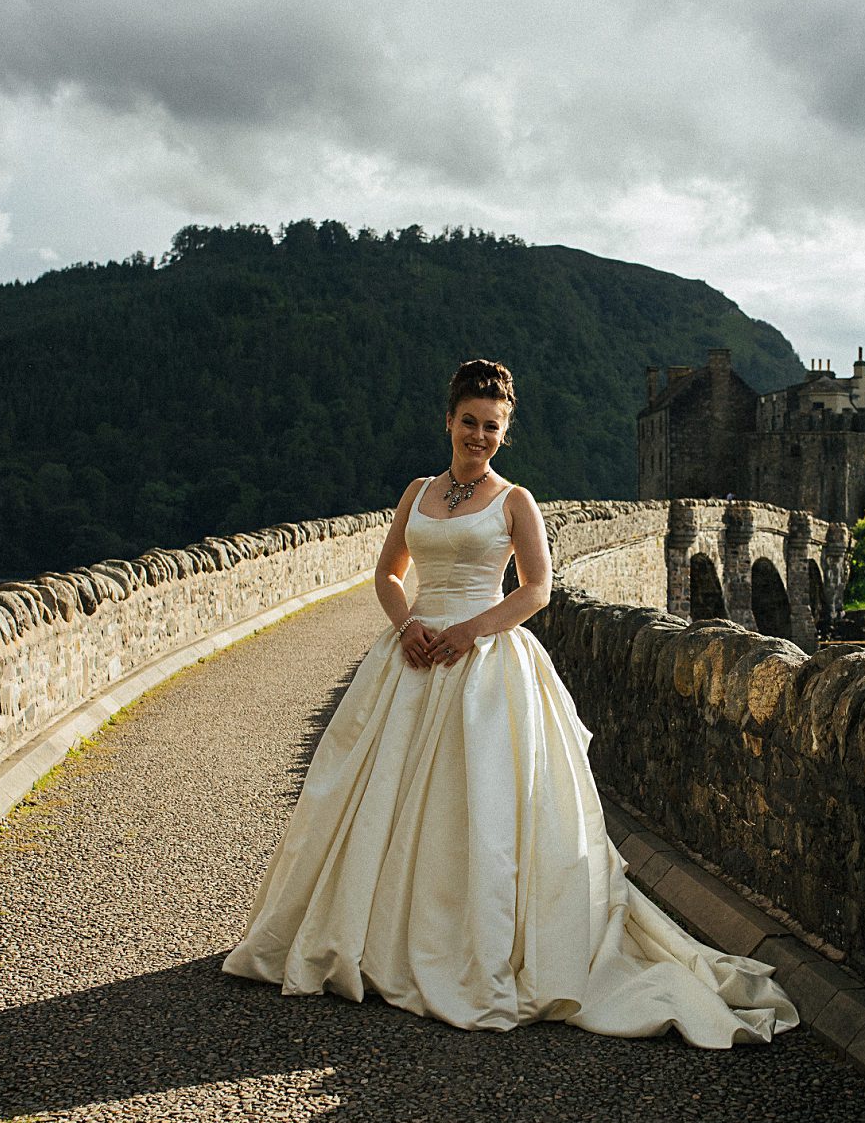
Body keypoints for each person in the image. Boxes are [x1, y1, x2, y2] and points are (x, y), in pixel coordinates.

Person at [222, 359, 798, 1048]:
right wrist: (407, 625)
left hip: (482, 663)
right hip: (412, 654)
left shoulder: (514, 501)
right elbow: (387, 572)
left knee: (481, 811)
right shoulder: (416, 493)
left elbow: (536, 590)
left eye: (491, 427)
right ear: (449, 420)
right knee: (375, 798)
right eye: (469, 422)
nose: (479, 436)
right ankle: (366, 938)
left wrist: (469, 631)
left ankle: (465, 946)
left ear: (505, 432)